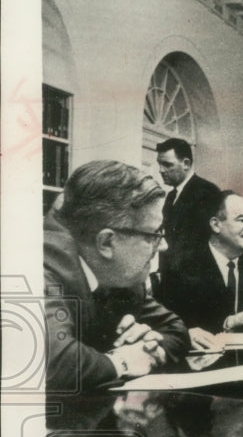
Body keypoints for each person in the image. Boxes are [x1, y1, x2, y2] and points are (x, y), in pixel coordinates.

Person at [44, 160, 190, 391]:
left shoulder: (119, 276)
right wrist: (122, 361)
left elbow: (175, 329)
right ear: (106, 243)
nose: (163, 246)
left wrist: (149, 349)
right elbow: (52, 361)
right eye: (154, 235)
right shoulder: (41, 268)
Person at [160, 191, 243, 347]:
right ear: (216, 225)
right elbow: (174, 326)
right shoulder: (182, 266)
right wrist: (228, 322)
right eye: (241, 220)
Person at [155, 138, 221, 272]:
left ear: (186, 164)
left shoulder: (207, 192)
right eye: (160, 164)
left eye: (167, 165)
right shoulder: (171, 196)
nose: (161, 170)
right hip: (171, 277)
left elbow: (203, 244)